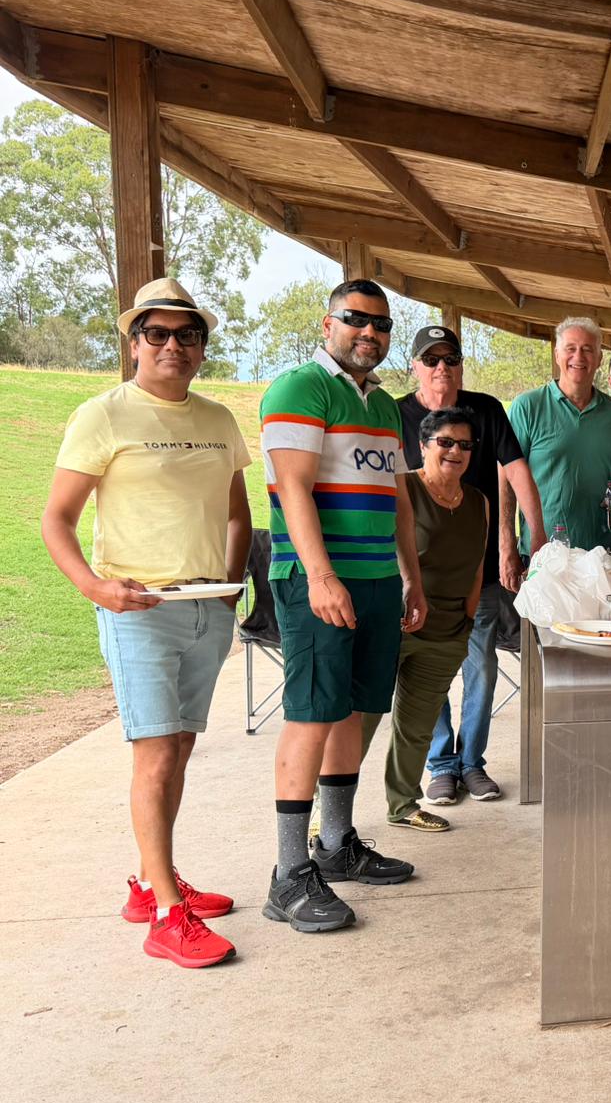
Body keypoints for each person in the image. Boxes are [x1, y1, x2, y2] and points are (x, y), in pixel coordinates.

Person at [42, 278, 250, 968]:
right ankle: (166, 915)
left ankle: (150, 882)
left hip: (207, 608)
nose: (172, 346)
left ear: (201, 348)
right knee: (156, 753)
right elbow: (57, 520)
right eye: (156, 333)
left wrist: (230, 583)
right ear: (135, 343)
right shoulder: (103, 415)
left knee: (180, 747)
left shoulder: (217, 419)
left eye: (187, 335)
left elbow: (237, 511)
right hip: (140, 611)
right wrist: (95, 588)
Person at [258, 278, 427, 934]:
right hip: (319, 582)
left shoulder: (382, 405)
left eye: (381, 324)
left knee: (355, 710)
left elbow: (399, 501)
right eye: (356, 319)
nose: (370, 332)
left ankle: (336, 845)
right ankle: (288, 875)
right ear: (328, 324)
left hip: (378, 580)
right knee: (312, 715)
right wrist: (321, 577)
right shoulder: (301, 388)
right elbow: (293, 489)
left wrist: (410, 578)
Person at [394, 324, 542, 808]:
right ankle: (440, 764)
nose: (442, 368)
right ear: (415, 367)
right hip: (418, 574)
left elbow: (516, 471)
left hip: (476, 571)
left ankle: (472, 762)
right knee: (426, 671)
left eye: (451, 359)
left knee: (482, 665)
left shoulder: (487, 410)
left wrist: (535, 537)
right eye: (431, 359)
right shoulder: (394, 414)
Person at [378, 408, 488, 832]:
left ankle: (403, 805)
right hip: (397, 623)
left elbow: (477, 565)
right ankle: (325, 814)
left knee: (417, 727)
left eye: (464, 444)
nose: (455, 450)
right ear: (423, 446)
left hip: (448, 630)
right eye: (445, 441)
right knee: (358, 721)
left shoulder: (478, 501)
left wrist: (468, 617)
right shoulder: (402, 486)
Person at [505, 316, 611, 552]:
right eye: (570, 348)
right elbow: (506, 479)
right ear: (557, 355)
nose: (578, 357)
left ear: (600, 358)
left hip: (605, 553)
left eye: (587, 349)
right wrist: (507, 546)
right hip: (543, 552)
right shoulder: (527, 407)